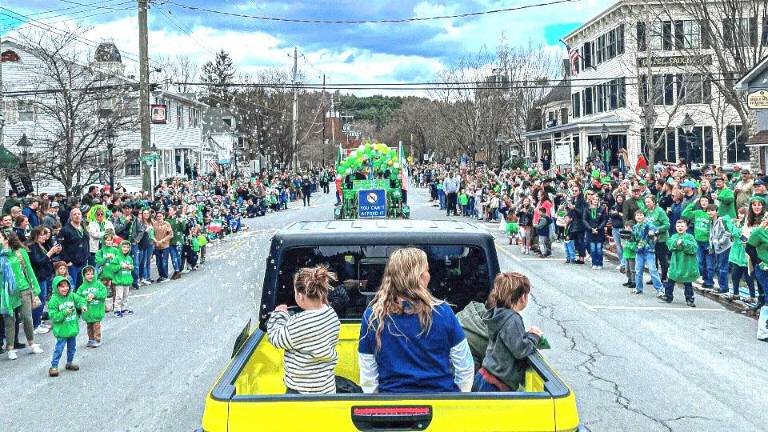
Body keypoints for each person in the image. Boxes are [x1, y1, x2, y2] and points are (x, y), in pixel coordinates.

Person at [358, 248, 474, 393]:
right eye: (426, 271)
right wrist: (457, 398)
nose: (429, 276)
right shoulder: (443, 312)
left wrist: (380, 405)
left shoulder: (373, 316)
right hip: (440, 403)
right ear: (418, 276)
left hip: (392, 406)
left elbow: (368, 377)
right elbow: (465, 366)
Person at [267, 266, 341, 394]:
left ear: (300, 296)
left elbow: (276, 338)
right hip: (327, 389)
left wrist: (279, 314)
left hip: (301, 393)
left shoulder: (300, 322)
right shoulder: (330, 313)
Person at [472, 272, 542, 392]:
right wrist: (534, 336)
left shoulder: (498, 313)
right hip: (496, 385)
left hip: (484, 377)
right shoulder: (512, 319)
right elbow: (521, 349)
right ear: (522, 297)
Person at [0, 230, 44, 360]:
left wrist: (35, 287)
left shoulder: (20, 252)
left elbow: (29, 270)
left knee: (27, 317)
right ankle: (10, 348)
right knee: (9, 320)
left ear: (6, 239)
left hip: (24, 288)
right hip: (6, 293)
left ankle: (32, 343)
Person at [47, 275, 86, 377]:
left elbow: (80, 300)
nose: (65, 288)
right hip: (62, 330)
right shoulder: (54, 300)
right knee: (59, 349)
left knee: (72, 348)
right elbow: (54, 316)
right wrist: (65, 313)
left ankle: (69, 362)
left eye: (66, 286)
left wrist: (83, 305)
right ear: (56, 287)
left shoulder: (72, 295)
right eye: (62, 286)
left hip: (72, 327)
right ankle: (54, 366)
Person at [28, 226, 60, 335]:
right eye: (42, 234)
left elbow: (47, 258)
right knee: (39, 300)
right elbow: (39, 262)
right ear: (36, 235)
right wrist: (50, 252)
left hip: (45, 274)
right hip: (38, 276)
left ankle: (39, 321)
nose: (45, 236)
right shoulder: (32, 246)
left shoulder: (40, 244)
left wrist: (55, 252)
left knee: (43, 299)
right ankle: (35, 325)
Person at [661, 220, 699, 307]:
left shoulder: (690, 237)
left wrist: (684, 243)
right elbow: (670, 245)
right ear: (675, 227)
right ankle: (668, 296)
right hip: (676, 263)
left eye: (682, 226)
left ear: (686, 227)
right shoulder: (674, 236)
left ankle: (689, 299)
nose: (680, 228)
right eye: (678, 226)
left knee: (687, 282)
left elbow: (694, 248)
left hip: (687, 264)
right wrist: (676, 243)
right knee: (671, 280)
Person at [682, 198, 715, 289]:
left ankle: (709, 281)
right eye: (702, 201)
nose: (704, 202)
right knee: (700, 262)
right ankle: (704, 279)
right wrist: (693, 203)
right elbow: (685, 213)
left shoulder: (711, 214)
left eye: (706, 201)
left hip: (708, 242)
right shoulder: (697, 212)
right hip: (698, 241)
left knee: (710, 264)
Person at [631, 210, 664, 296]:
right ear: (635, 217)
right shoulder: (634, 227)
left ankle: (660, 289)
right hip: (639, 251)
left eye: (641, 215)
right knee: (638, 270)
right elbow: (633, 239)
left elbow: (654, 229)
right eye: (637, 215)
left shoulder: (648, 224)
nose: (639, 216)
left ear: (644, 216)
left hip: (649, 250)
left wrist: (652, 232)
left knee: (653, 270)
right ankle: (638, 288)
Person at [725, 207, 755, 302]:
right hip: (736, 255)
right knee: (735, 275)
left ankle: (752, 296)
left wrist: (729, 222)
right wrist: (731, 222)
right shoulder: (737, 223)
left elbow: (737, 233)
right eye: (739, 213)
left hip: (746, 255)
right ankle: (736, 293)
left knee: (748, 277)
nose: (739, 216)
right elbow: (729, 226)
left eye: (742, 214)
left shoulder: (749, 226)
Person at [59, 208, 90, 290]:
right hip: (72, 264)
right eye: (74, 214)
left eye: (79, 214)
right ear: (71, 217)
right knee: (72, 286)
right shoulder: (65, 230)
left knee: (81, 286)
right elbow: (61, 246)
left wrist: (87, 255)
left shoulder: (83, 227)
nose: (77, 216)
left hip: (83, 261)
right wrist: (67, 261)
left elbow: (86, 242)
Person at [78, 266, 107, 348]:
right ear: (84, 276)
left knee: (96, 326)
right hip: (87, 312)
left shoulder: (98, 284)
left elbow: (104, 293)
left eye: (92, 274)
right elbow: (78, 298)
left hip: (97, 310)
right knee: (89, 326)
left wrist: (95, 295)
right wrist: (85, 299)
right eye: (88, 274)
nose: (90, 276)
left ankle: (97, 339)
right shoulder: (82, 287)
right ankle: (91, 339)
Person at [109, 241, 134, 318]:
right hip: (119, 280)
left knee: (125, 295)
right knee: (119, 296)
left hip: (127, 280)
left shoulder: (129, 258)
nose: (125, 249)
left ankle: (123, 308)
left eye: (127, 247)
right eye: (124, 247)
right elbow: (113, 268)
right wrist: (120, 266)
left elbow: (132, 266)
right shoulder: (117, 258)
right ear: (120, 247)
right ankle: (117, 310)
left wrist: (131, 267)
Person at [583, 194, 607, 270]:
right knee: (592, 248)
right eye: (594, 199)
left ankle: (600, 263)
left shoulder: (602, 209)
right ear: (591, 200)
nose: (595, 201)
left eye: (597, 199)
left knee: (599, 248)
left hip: (599, 231)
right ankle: (594, 262)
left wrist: (598, 228)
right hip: (590, 231)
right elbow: (585, 220)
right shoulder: (587, 209)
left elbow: (604, 220)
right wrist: (591, 229)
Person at [152, 211, 173, 283]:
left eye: (160, 216)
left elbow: (170, 235)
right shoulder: (154, 224)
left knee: (164, 261)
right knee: (158, 262)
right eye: (157, 216)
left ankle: (165, 276)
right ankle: (161, 276)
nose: (159, 218)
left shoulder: (167, 224)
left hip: (165, 246)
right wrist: (155, 241)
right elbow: (152, 234)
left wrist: (162, 241)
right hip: (157, 246)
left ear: (163, 216)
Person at [621, 222, 637, 289]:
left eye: (629, 227)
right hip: (626, 254)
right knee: (627, 269)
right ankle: (629, 280)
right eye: (626, 227)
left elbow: (634, 246)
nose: (627, 229)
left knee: (632, 269)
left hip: (632, 255)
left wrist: (627, 245)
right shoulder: (624, 236)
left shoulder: (633, 236)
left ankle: (634, 281)